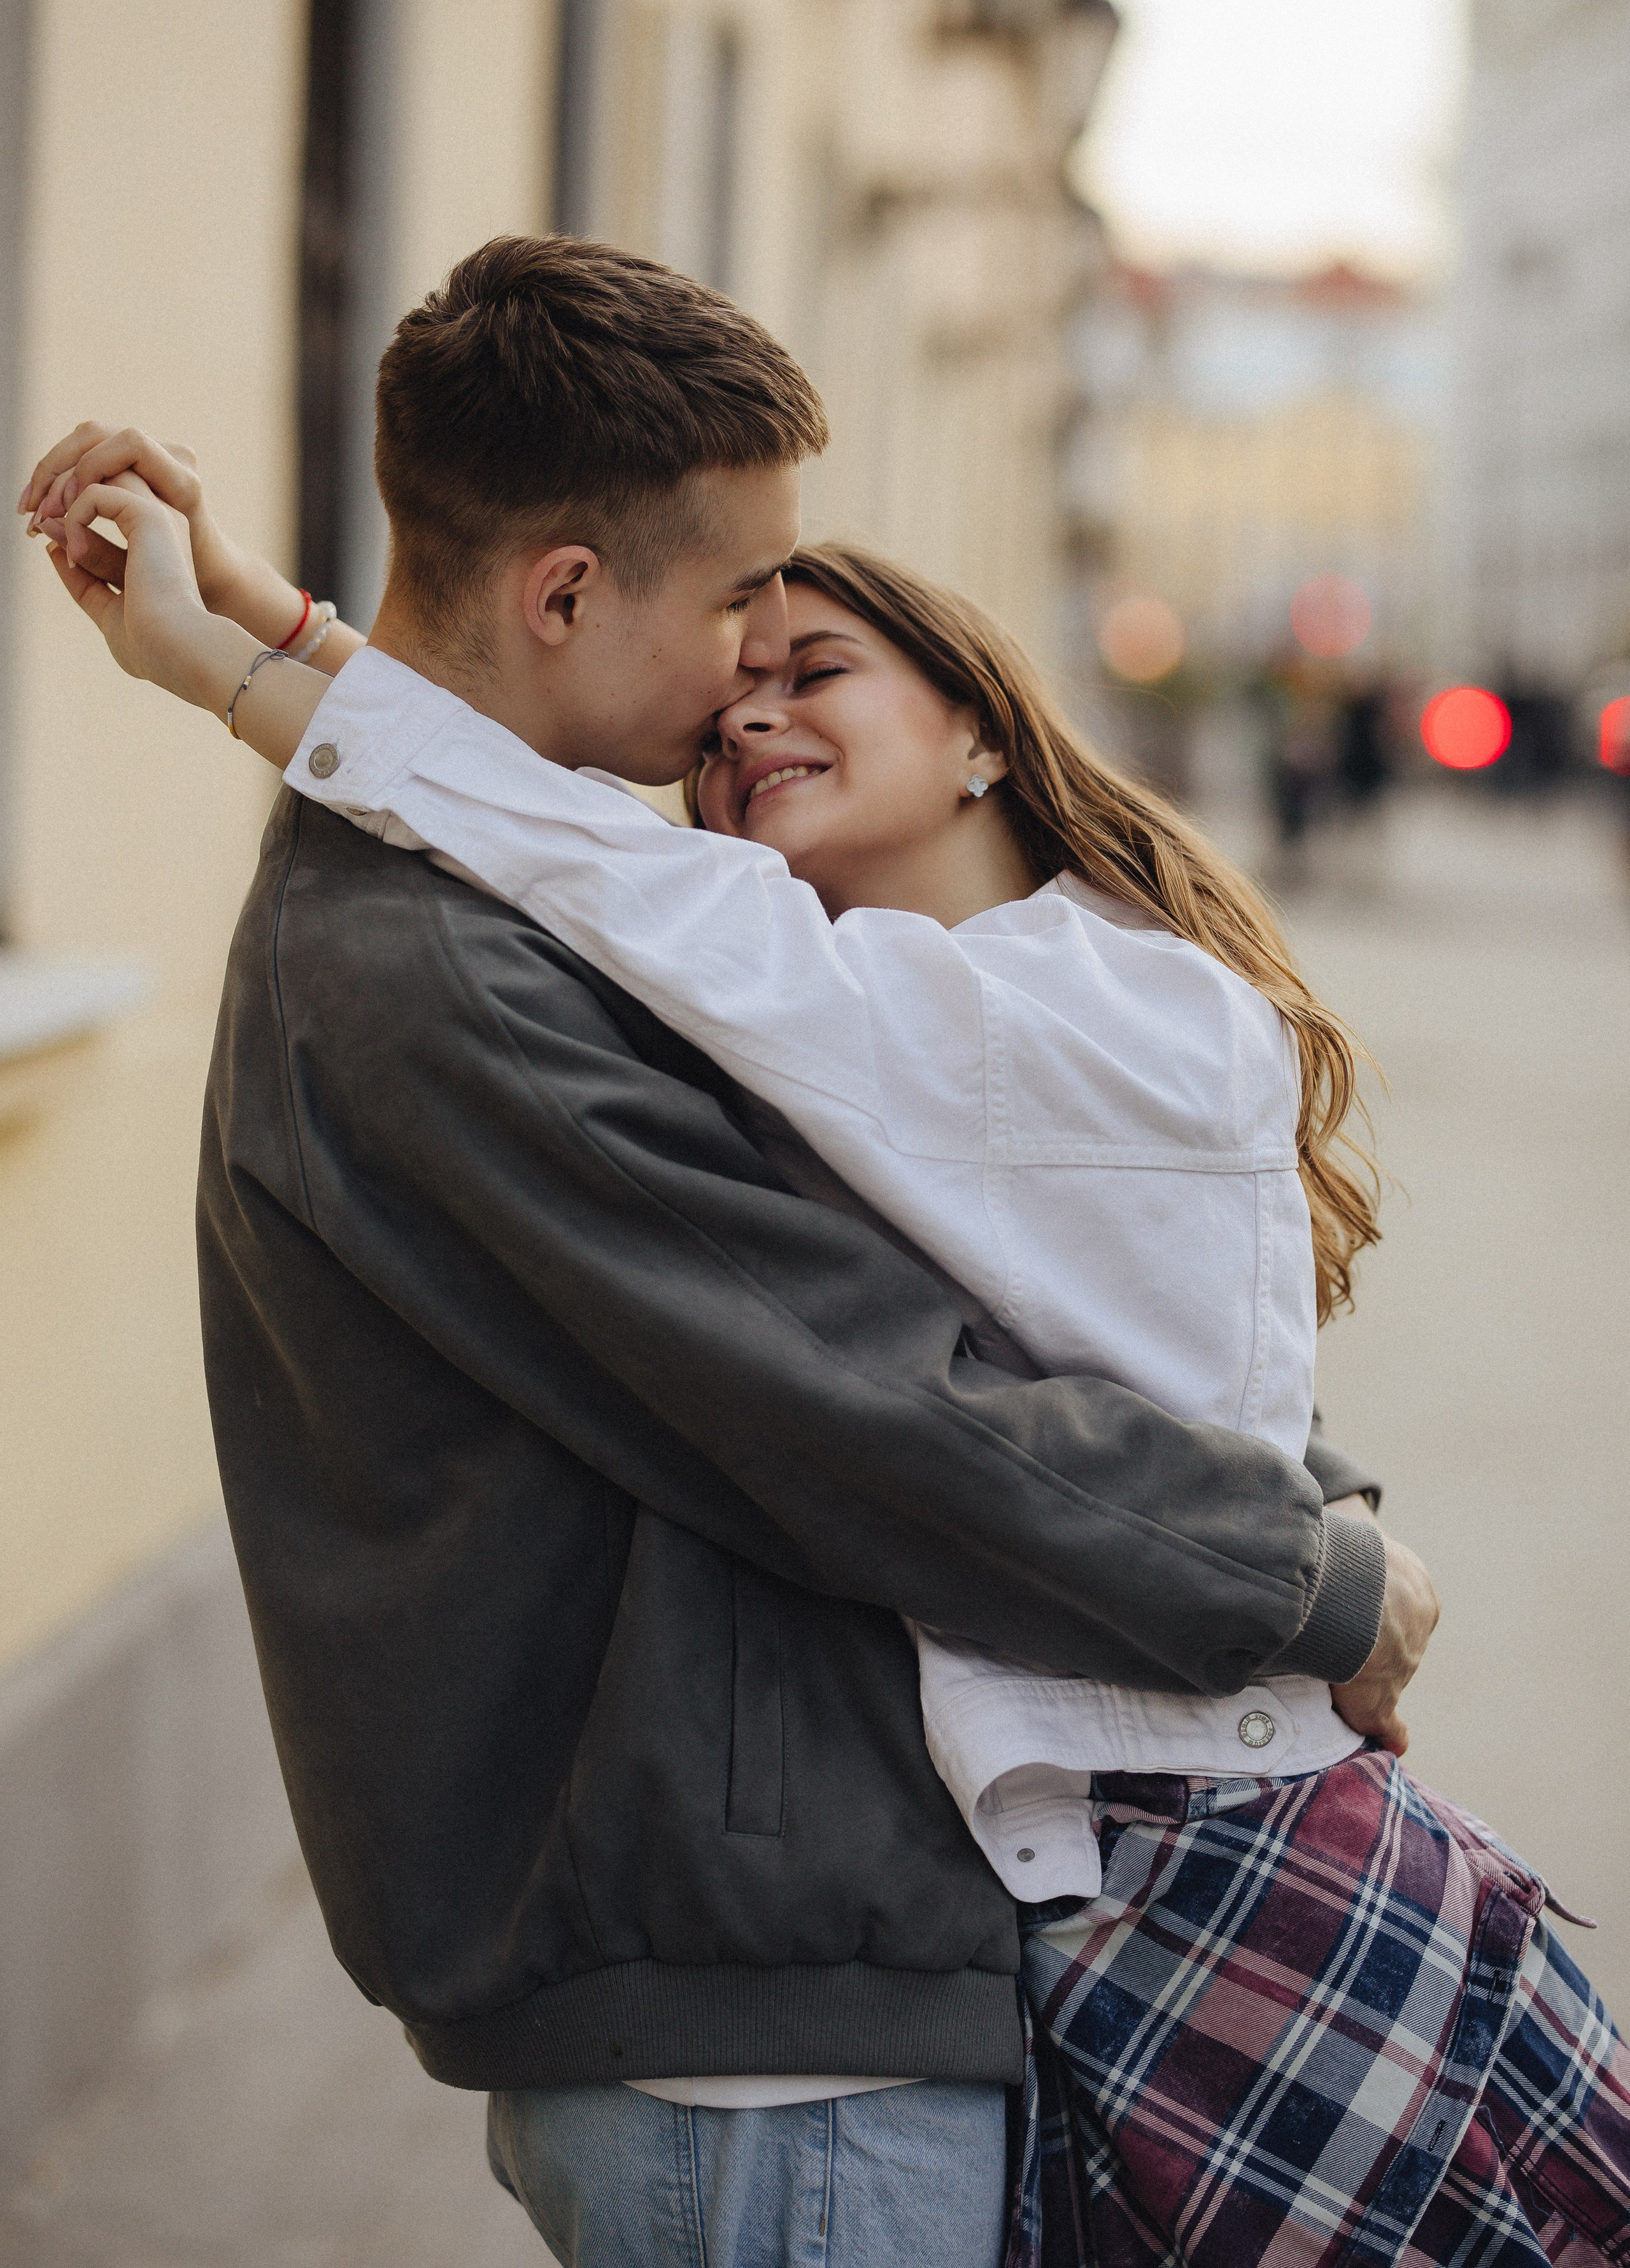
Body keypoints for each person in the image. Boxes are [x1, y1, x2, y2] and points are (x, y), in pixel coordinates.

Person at [23, 236, 1446, 2267]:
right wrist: (1308, 1569)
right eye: (727, 622)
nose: (731, 694)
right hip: (750, 2037)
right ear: (571, 596)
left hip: (784, 1980)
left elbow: (968, 1300)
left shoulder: (531, 911)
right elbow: (876, 1397)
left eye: (806, 655)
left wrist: (263, 643)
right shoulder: (443, 964)